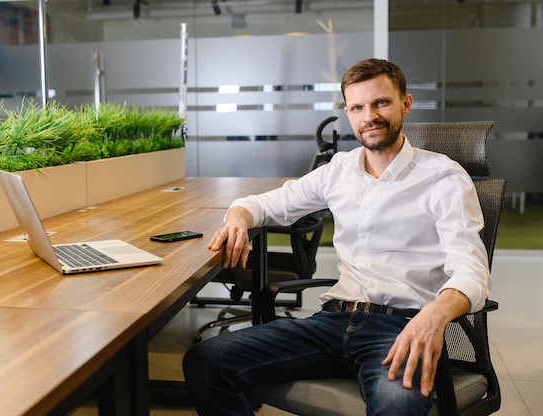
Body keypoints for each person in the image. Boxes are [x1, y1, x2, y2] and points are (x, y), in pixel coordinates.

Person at [182, 58, 490, 416]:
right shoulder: (338, 170)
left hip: (400, 328)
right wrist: (237, 219)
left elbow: (472, 270)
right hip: (331, 323)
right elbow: (264, 204)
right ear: (348, 113)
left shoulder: (443, 177)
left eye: (381, 103)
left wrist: (435, 316)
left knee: (396, 407)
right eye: (357, 107)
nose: (369, 116)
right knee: (206, 360)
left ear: (405, 104)